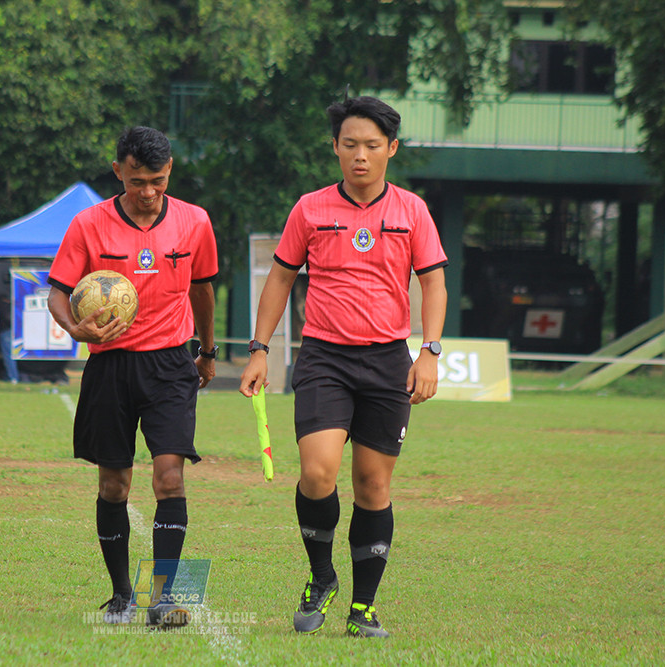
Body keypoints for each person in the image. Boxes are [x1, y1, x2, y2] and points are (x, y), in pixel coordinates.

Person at [239, 96, 447, 638]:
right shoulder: (309, 209)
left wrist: (430, 351)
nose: (360, 156)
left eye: (372, 146)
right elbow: (281, 278)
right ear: (334, 147)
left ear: (391, 150)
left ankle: (364, 608)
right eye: (350, 144)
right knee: (317, 472)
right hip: (324, 357)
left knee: (373, 485)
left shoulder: (412, 211)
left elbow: (433, 283)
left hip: (386, 361)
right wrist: (259, 347)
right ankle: (320, 576)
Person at [47, 126, 218, 629]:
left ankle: (163, 598)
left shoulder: (195, 222)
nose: (148, 191)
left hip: (170, 364)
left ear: (170, 173)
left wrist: (206, 353)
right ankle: (122, 594)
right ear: (118, 170)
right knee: (114, 485)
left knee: (170, 476)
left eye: (158, 181)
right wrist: (73, 324)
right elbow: (58, 290)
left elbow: (203, 291)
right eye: (138, 180)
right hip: (110, 366)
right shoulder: (88, 224)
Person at [0, 288, 20, 382]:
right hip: (15, 331)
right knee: (14, 354)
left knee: (8, 355)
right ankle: (13, 376)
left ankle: (13, 377)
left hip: (5, 332)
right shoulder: (12, 305)